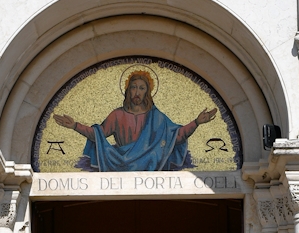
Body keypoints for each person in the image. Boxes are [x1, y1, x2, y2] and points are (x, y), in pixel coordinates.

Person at [53, 65, 217, 173]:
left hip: (152, 164)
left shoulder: (156, 117)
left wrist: (196, 122)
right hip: (120, 162)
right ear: (127, 91)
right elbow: (98, 134)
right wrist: (75, 125)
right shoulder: (117, 115)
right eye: (133, 87)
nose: (137, 92)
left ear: (148, 92)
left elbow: (177, 135)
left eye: (141, 88)